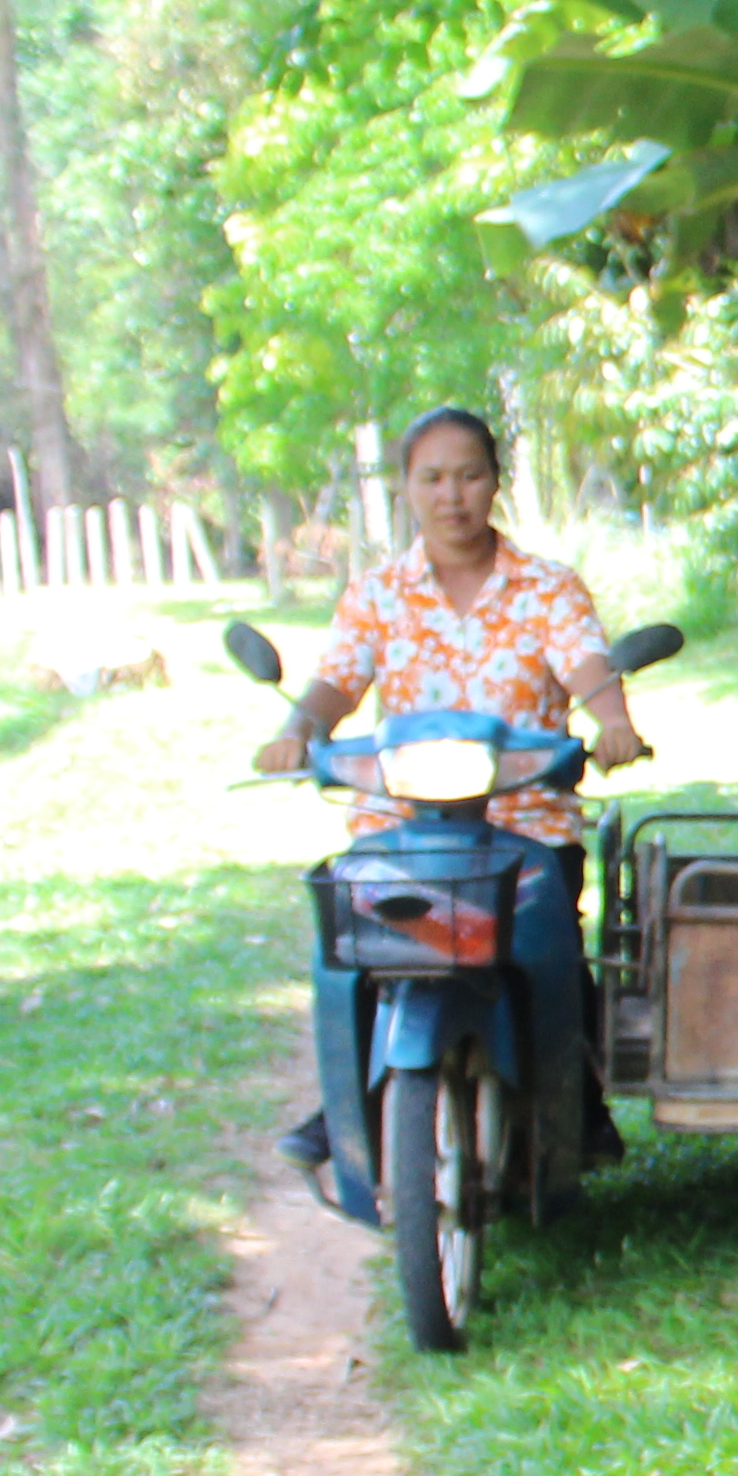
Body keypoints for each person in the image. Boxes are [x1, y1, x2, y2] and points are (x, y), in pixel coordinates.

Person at [251, 405, 650, 1213]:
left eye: (469, 474)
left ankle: (579, 1101)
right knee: (362, 951)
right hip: (404, 830)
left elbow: (586, 665)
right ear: (406, 488)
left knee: (554, 956)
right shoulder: (377, 593)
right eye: (432, 477)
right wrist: (298, 727)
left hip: (525, 824)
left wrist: (612, 721)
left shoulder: (546, 586)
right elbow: (335, 680)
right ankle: (349, 1100)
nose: (452, 495)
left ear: (494, 482)